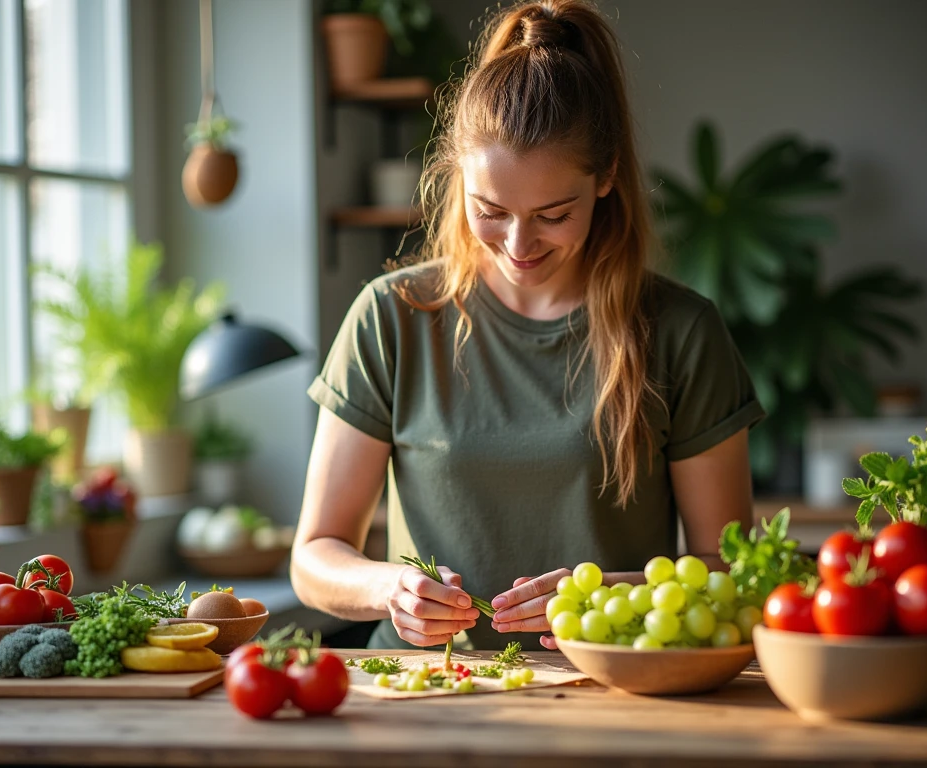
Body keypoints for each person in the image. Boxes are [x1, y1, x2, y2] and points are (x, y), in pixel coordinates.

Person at [291, 0, 764, 652]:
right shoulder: (389, 317)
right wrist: (386, 590)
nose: (518, 243)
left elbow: (731, 574)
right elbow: (315, 555)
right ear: (458, 181)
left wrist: (606, 594)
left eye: (552, 213)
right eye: (490, 209)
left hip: (611, 699)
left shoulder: (682, 333)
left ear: (606, 179)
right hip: (422, 700)